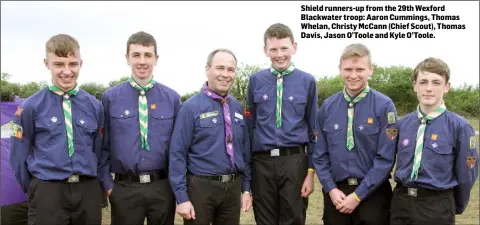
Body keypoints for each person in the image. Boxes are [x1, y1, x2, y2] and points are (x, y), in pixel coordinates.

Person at [9, 34, 104, 225]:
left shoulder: (95, 106)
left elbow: (99, 150)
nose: (67, 71)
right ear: (47, 64)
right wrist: (37, 189)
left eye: (72, 64)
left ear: (81, 63)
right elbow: (17, 156)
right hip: (47, 191)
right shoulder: (28, 107)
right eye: (59, 64)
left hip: (87, 192)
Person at [99, 31, 180, 225]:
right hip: (124, 188)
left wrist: (176, 188)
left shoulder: (172, 99)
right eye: (136, 55)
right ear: (127, 58)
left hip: (162, 187)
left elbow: (180, 149)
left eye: (147, 55)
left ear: (156, 59)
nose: (142, 61)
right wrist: (109, 187)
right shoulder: (110, 98)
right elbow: (102, 146)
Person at [313, 43, 398, 225]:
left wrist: (358, 196)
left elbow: (385, 158)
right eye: (348, 69)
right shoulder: (327, 107)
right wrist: (331, 189)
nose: (353, 75)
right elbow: (319, 156)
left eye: (360, 69)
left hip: (373, 193)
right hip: (337, 195)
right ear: (340, 70)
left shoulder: (384, 106)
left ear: (370, 69)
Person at [390, 57, 479, 225]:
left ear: (447, 87)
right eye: (423, 82)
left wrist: (454, 204)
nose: (428, 88)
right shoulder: (401, 124)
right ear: (415, 85)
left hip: (437, 206)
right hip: (401, 204)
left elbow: (467, 174)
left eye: (436, 83)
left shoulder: (460, 127)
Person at [169, 48, 252, 225]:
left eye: (230, 70)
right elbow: (177, 154)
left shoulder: (237, 108)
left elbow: (245, 153)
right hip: (201, 187)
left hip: (232, 188)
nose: (225, 74)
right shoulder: (190, 108)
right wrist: (181, 197)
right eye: (220, 68)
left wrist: (246, 189)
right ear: (208, 69)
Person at [245, 23, 317, 225]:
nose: (279, 54)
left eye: (284, 48)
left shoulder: (307, 81)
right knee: (264, 220)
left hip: (294, 161)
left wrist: (310, 172)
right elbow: (250, 127)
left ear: (294, 47)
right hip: (262, 163)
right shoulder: (255, 80)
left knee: (293, 219)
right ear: (265, 50)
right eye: (273, 49)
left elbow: (313, 129)